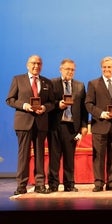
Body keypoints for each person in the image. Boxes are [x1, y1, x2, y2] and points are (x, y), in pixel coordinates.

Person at [6, 55, 55, 195]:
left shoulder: (47, 82)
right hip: (23, 123)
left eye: (39, 63)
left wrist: (45, 108)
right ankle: (21, 185)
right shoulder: (18, 79)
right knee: (24, 155)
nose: (36, 66)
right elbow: (10, 100)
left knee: (40, 155)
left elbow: (52, 103)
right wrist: (24, 105)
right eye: (33, 63)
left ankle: (40, 184)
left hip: (41, 123)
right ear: (27, 65)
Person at [47, 58, 89, 192]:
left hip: (72, 126)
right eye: (67, 69)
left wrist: (83, 125)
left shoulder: (80, 85)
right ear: (61, 69)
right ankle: (53, 184)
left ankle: (69, 184)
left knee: (69, 158)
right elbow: (48, 104)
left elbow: (84, 109)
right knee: (54, 157)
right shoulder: (52, 83)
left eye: (72, 69)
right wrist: (57, 105)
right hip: (55, 125)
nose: (70, 72)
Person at [85, 56, 112, 192]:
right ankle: (98, 182)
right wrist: (101, 113)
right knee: (99, 156)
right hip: (100, 125)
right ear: (101, 68)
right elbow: (88, 104)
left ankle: (111, 182)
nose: (107, 69)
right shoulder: (93, 83)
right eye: (105, 67)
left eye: (109, 67)